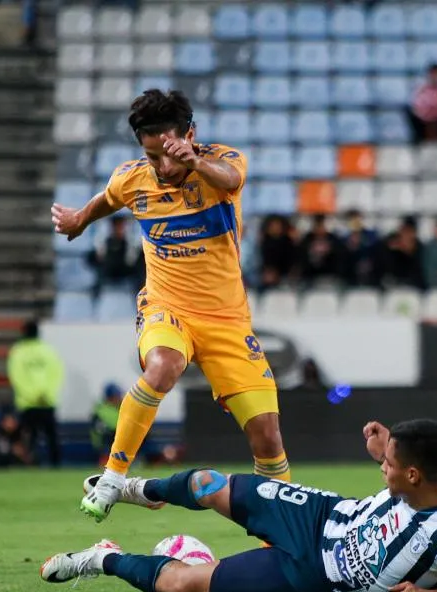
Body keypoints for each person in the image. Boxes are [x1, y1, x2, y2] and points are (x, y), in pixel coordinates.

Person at [50, 89, 290, 522]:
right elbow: (109, 198)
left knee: (267, 438)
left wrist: (194, 161)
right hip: (166, 306)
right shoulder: (133, 177)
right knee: (162, 365)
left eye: (169, 153)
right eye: (151, 155)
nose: (162, 167)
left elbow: (231, 180)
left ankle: (285, 537)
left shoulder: (222, 162)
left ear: (190, 135)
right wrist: (79, 220)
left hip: (227, 319)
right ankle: (112, 479)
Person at [41, 419, 437, 592]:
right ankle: (134, 489)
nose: (382, 467)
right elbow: (414, 460)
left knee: (182, 585)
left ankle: (100, 559)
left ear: (414, 476)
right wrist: (383, 446)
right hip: (321, 516)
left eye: (389, 464)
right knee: (209, 484)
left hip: (314, 574)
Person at [7, 320, 64, 467]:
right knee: (51, 437)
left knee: (29, 437)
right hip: (47, 402)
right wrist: (46, 394)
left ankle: (29, 464)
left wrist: (31, 396)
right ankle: (55, 465)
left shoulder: (18, 351)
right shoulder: (47, 350)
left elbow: (17, 377)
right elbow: (56, 374)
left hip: (28, 404)